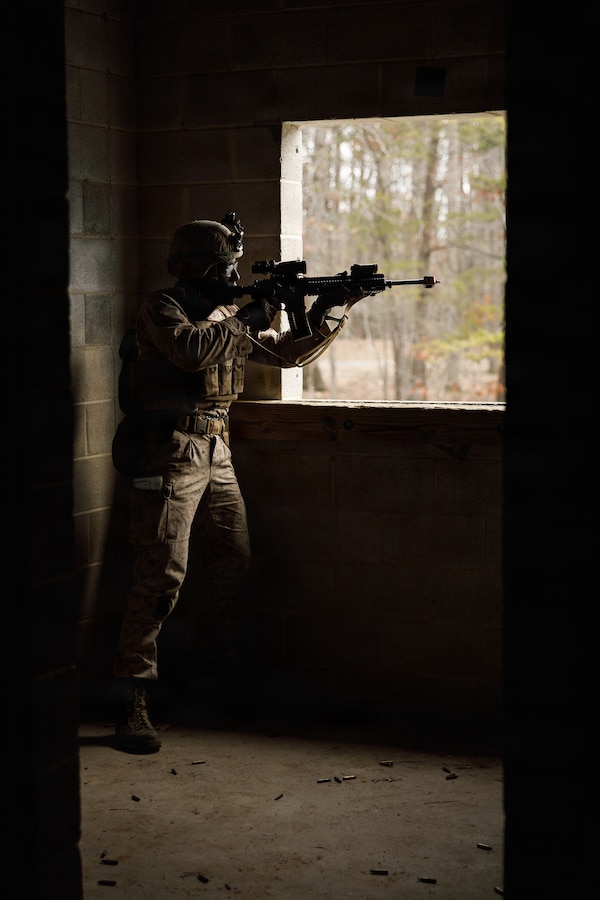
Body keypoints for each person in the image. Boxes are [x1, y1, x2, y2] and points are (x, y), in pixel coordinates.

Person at [111, 212, 364, 753]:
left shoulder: (227, 314)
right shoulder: (163, 307)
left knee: (233, 563)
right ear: (194, 268)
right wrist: (246, 314)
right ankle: (131, 702)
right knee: (159, 577)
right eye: (224, 267)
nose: (233, 276)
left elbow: (286, 354)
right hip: (169, 452)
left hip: (216, 449)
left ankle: (217, 685)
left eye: (233, 266)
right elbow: (189, 351)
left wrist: (332, 308)